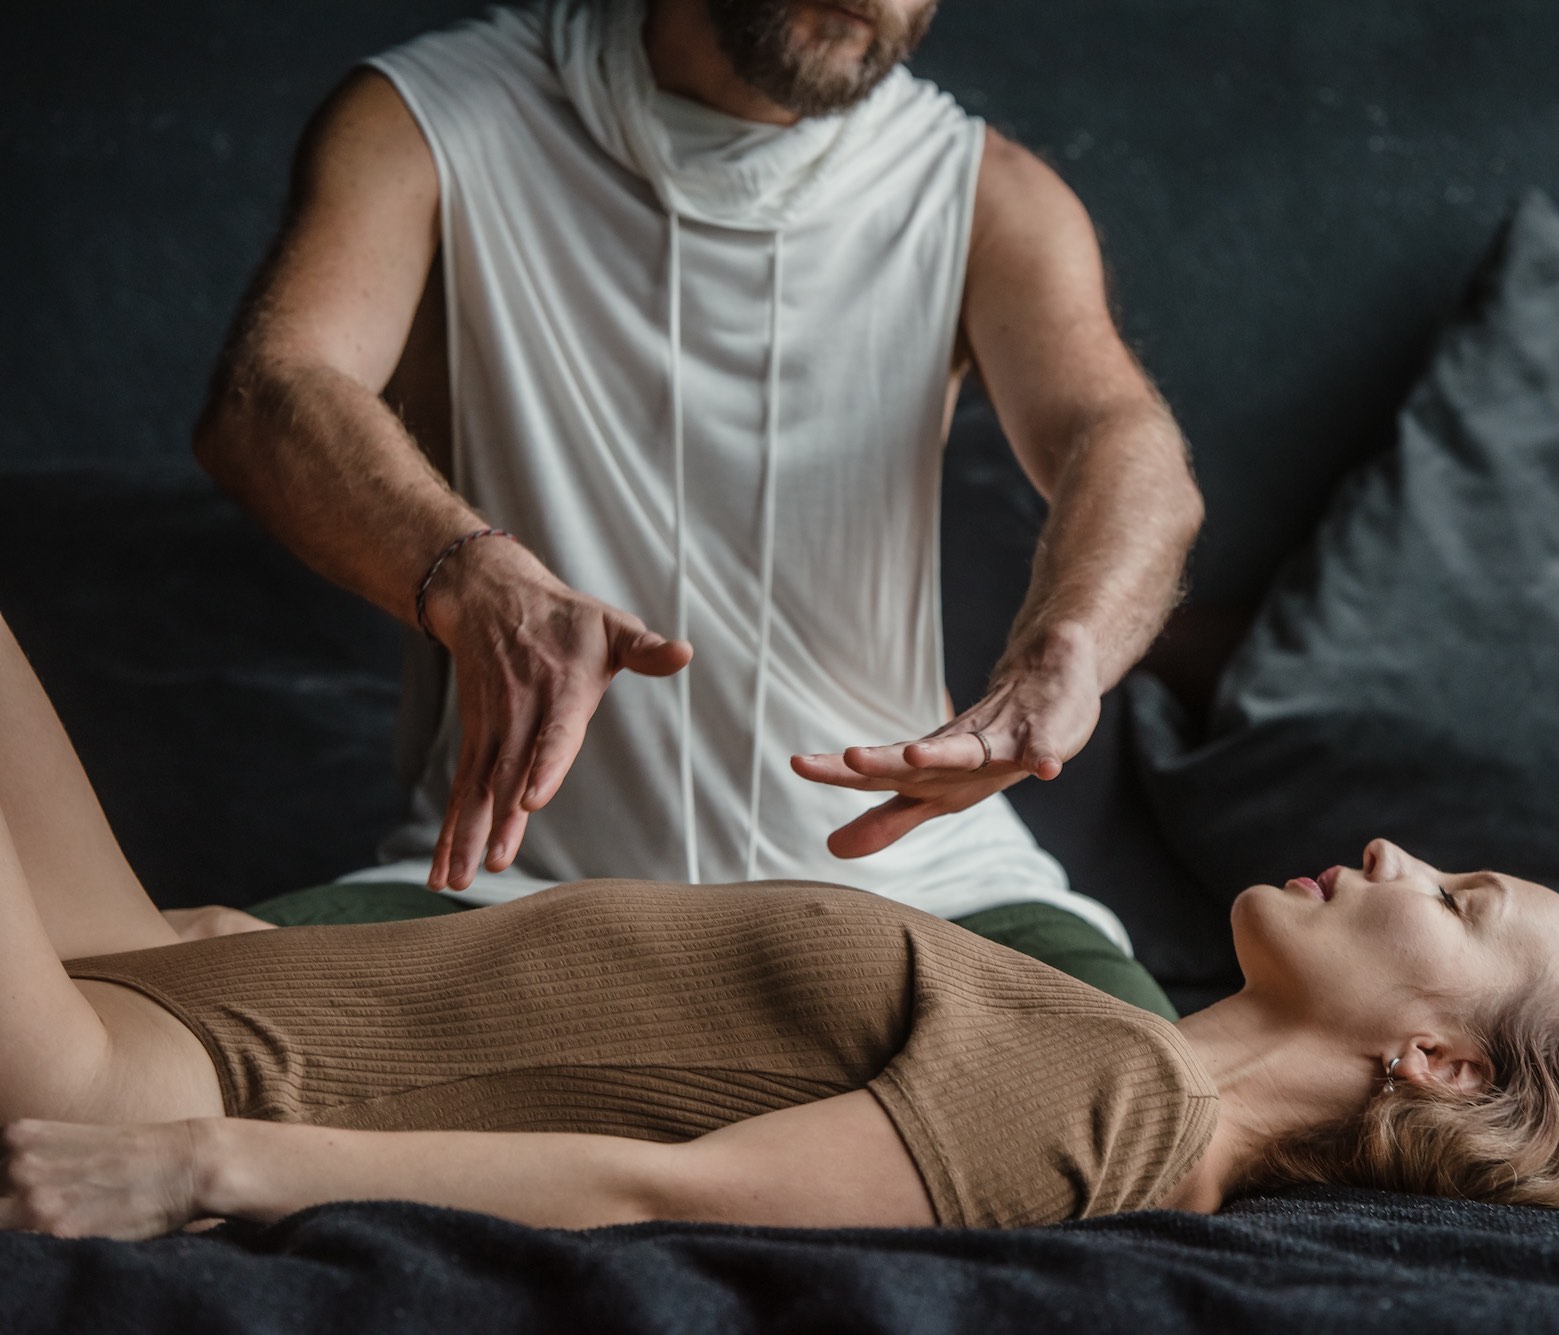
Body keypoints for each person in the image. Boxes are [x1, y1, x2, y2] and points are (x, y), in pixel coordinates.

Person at [0, 612, 1559, 1238]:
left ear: (1441, 1059)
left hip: (137, 1078)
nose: (1397, 850)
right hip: (193, 986)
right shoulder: (1113, 1060)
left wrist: (214, 1165)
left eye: (1459, 902)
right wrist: (275, 963)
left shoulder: (1123, 1108)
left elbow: (670, 1193)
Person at [183, 0, 1204, 1014]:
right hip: (504, 891)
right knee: (155, 1029)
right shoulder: (425, 117)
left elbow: (1119, 434)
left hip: (930, 889)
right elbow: (268, 392)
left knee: (1152, 1089)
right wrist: (470, 574)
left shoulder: (983, 193)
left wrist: (1067, 646)